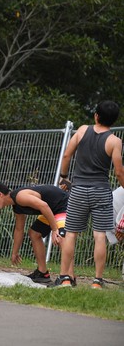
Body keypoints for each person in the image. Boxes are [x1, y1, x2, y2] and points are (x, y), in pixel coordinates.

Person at [53, 100, 124, 288]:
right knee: (99, 235)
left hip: (78, 190)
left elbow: (67, 155)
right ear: (114, 120)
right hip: (101, 191)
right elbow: (118, 172)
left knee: (71, 234)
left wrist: (64, 178)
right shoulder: (115, 141)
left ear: (96, 116)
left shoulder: (83, 130)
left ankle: (65, 278)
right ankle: (97, 281)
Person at [0, 181, 69, 284]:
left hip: (63, 204)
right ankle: (42, 273)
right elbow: (19, 229)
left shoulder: (20, 197)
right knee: (34, 233)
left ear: (0, 195)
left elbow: (44, 205)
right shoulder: (16, 206)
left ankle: (68, 277)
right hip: (51, 209)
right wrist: (14, 252)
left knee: (61, 237)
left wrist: (55, 230)